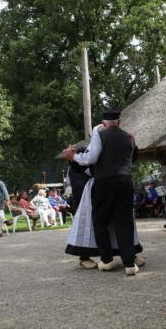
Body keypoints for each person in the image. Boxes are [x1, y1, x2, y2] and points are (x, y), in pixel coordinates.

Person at [65, 110, 140, 276]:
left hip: (105, 182)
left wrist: (73, 157)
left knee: (101, 221)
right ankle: (129, 263)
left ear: (103, 123)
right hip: (126, 181)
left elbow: (91, 158)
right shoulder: (129, 137)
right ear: (119, 123)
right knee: (124, 221)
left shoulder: (100, 135)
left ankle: (107, 260)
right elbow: (133, 157)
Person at [66, 147, 91, 214]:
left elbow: (68, 182)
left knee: (79, 213)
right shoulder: (87, 166)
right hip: (86, 192)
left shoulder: (70, 168)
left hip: (76, 192)